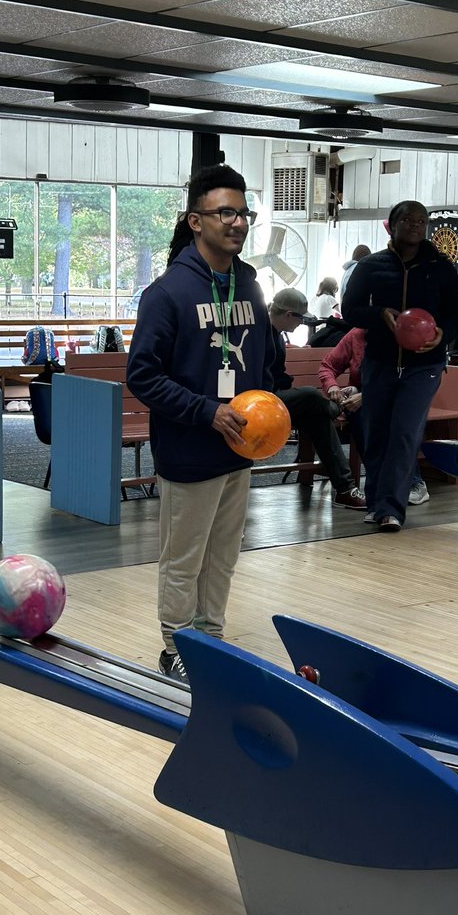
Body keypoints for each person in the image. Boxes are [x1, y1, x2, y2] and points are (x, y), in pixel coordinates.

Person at [126, 164, 275, 684]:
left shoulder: (250, 285)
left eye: (243, 213)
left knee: (224, 555)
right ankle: (176, 647)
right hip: (190, 448)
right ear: (196, 220)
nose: (237, 223)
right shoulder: (166, 294)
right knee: (184, 557)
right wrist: (205, 411)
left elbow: (265, 359)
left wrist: (267, 412)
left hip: (240, 446)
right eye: (225, 213)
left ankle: (211, 640)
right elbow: (142, 376)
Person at [342, 200, 458, 532]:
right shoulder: (370, 266)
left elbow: (456, 315)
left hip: (424, 365)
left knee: (405, 433)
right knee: (377, 433)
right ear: (392, 224)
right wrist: (379, 314)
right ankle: (376, 502)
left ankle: (392, 509)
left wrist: (442, 334)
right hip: (380, 362)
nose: (415, 225)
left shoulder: (440, 267)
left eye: (421, 221)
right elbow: (350, 310)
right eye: (408, 220)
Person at [267, 288, 366, 511]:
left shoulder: (276, 334)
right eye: (301, 318)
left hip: (277, 397)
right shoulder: (260, 334)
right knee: (311, 396)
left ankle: (345, 489)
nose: (302, 324)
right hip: (263, 401)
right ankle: (336, 406)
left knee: (317, 418)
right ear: (288, 315)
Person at [318, 327, 431, 509]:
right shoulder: (356, 335)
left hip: (395, 397)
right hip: (360, 401)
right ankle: (378, 479)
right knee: (360, 415)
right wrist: (332, 387)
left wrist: (366, 396)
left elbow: (399, 379)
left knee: (395, 420)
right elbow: (328, 366)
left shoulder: (399, 337)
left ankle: (414, 482)